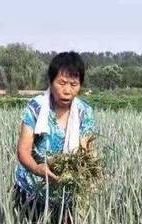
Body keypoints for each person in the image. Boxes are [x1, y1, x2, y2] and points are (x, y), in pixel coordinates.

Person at [15, 51, 97, 213]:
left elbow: (87, 150)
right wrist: (38, 169)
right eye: (62, 83)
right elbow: (23, 151)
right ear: (51, 82)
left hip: (66, 191)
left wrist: (91, 176)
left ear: (80, 85)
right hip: (32, 188)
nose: (67, 90)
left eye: (73, 84)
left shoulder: (84, 111)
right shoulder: (36, 107)